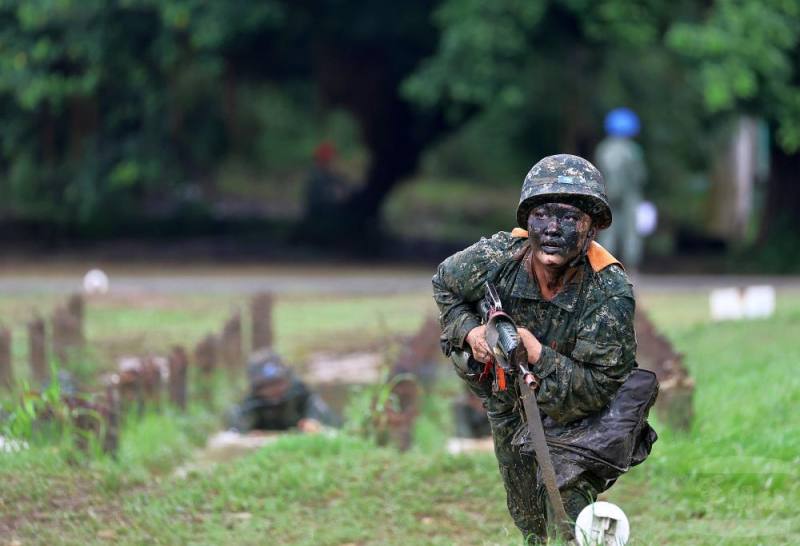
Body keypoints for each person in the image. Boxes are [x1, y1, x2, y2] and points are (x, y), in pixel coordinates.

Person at [433, 154, 652, 543]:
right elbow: (445, 284)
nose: (552, 228)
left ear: (591, 228)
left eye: (568, 217)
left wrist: (535, 353)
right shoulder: (499, 257)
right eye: (541, 215)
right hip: (508, 405)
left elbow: (599, 389)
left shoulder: (609, 293)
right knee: (529, 521)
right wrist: (472, 333)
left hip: (582, 421)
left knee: (566, 513)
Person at [227, 349, 339, 433]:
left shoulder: (303, 396)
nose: (274, 390)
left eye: (278, 383)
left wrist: (314, 423)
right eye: (266, 386)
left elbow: (331, 425)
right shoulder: (249, 407)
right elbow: (236, 433)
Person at [594, 107, 647, 270]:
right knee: (631, 231)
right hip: (630, 195)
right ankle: (631, 267)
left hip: (607, 194)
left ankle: (605, 266)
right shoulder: (633, 150)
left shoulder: (603, 149)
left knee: (608, 229)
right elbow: (640, 176)